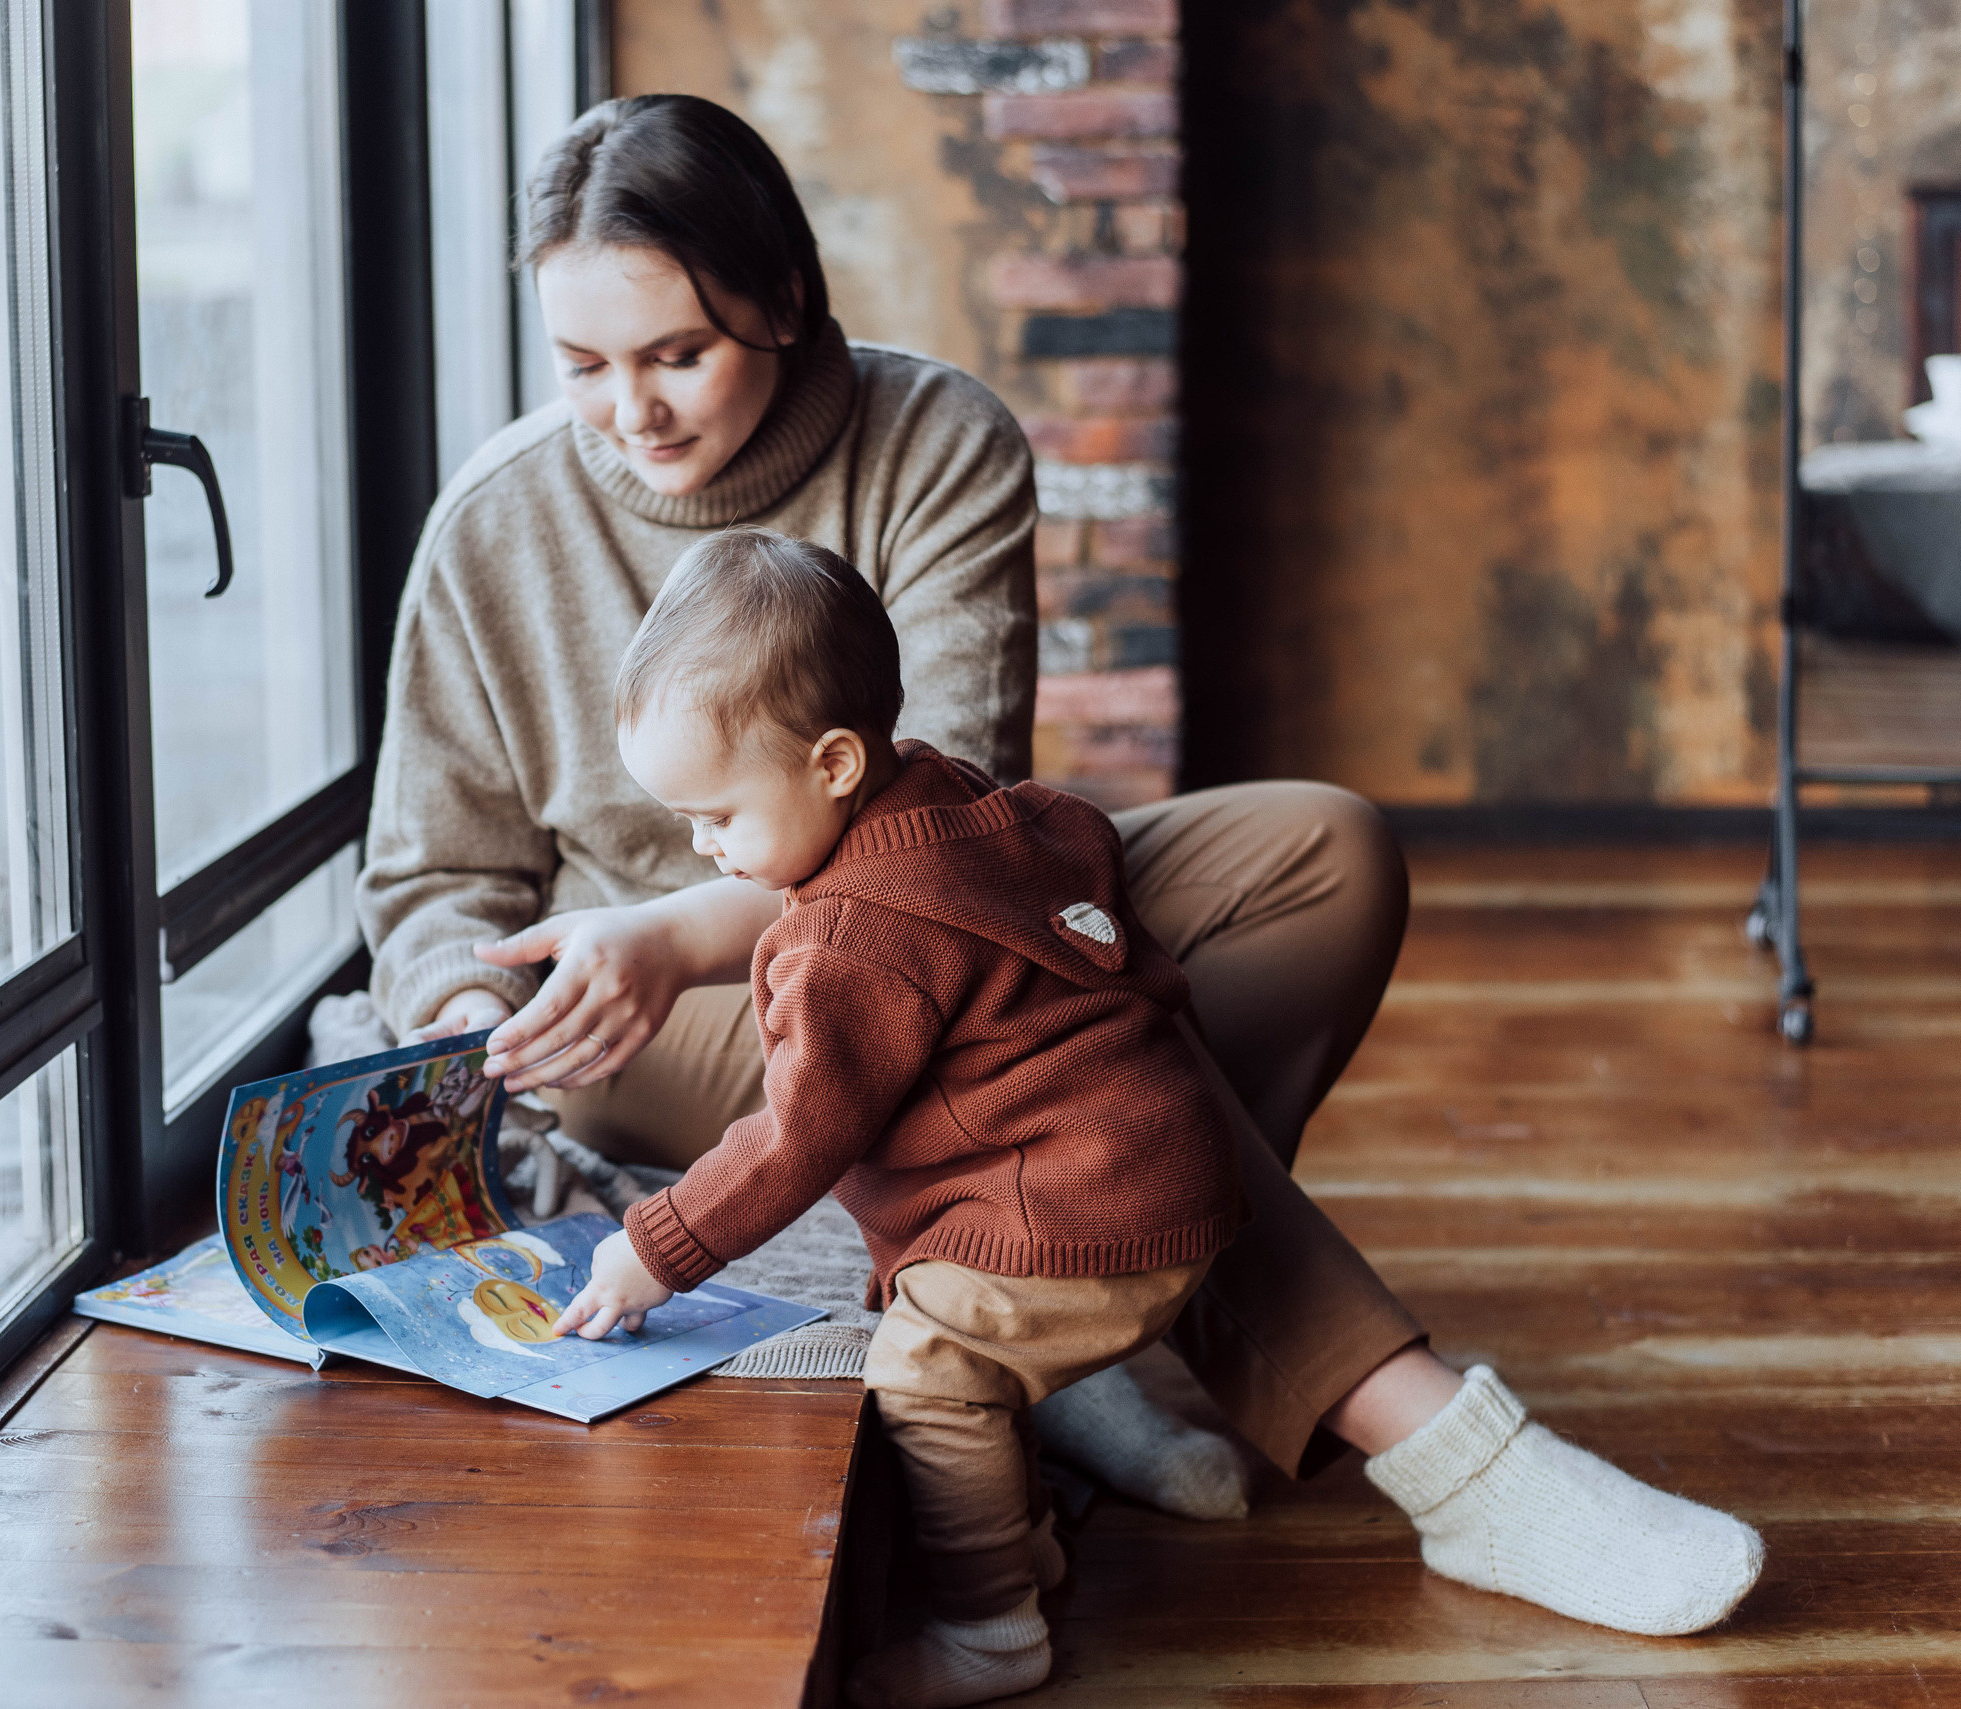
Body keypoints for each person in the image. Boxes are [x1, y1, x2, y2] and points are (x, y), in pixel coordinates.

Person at [357, 90, 1763, 1642]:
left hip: (912, 915)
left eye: (677, 353)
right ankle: (1440, 1448)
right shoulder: (494, 525)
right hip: (660, 1017)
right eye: (581, 366)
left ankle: (1033, 1300)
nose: (631, 411)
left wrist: (688, 922)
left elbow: (941, 842)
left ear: (785, 299)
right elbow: (429, 881)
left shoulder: (935, 440)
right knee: (1082, 1049)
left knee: (1324, 854)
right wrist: (482, 1012)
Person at [553, 527, 1251, 1706]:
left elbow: (794, 1137)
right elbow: (1082, 833)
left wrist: (655, 1245)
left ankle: (992, 1625)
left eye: (716, 815)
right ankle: (1027, 1544)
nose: (701, 848)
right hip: (1159, 1160)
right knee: (960, 1344)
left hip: (1079, 1204)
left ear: (833, 762)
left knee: (928, 1369)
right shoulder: (957, 791)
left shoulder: (848, 938)